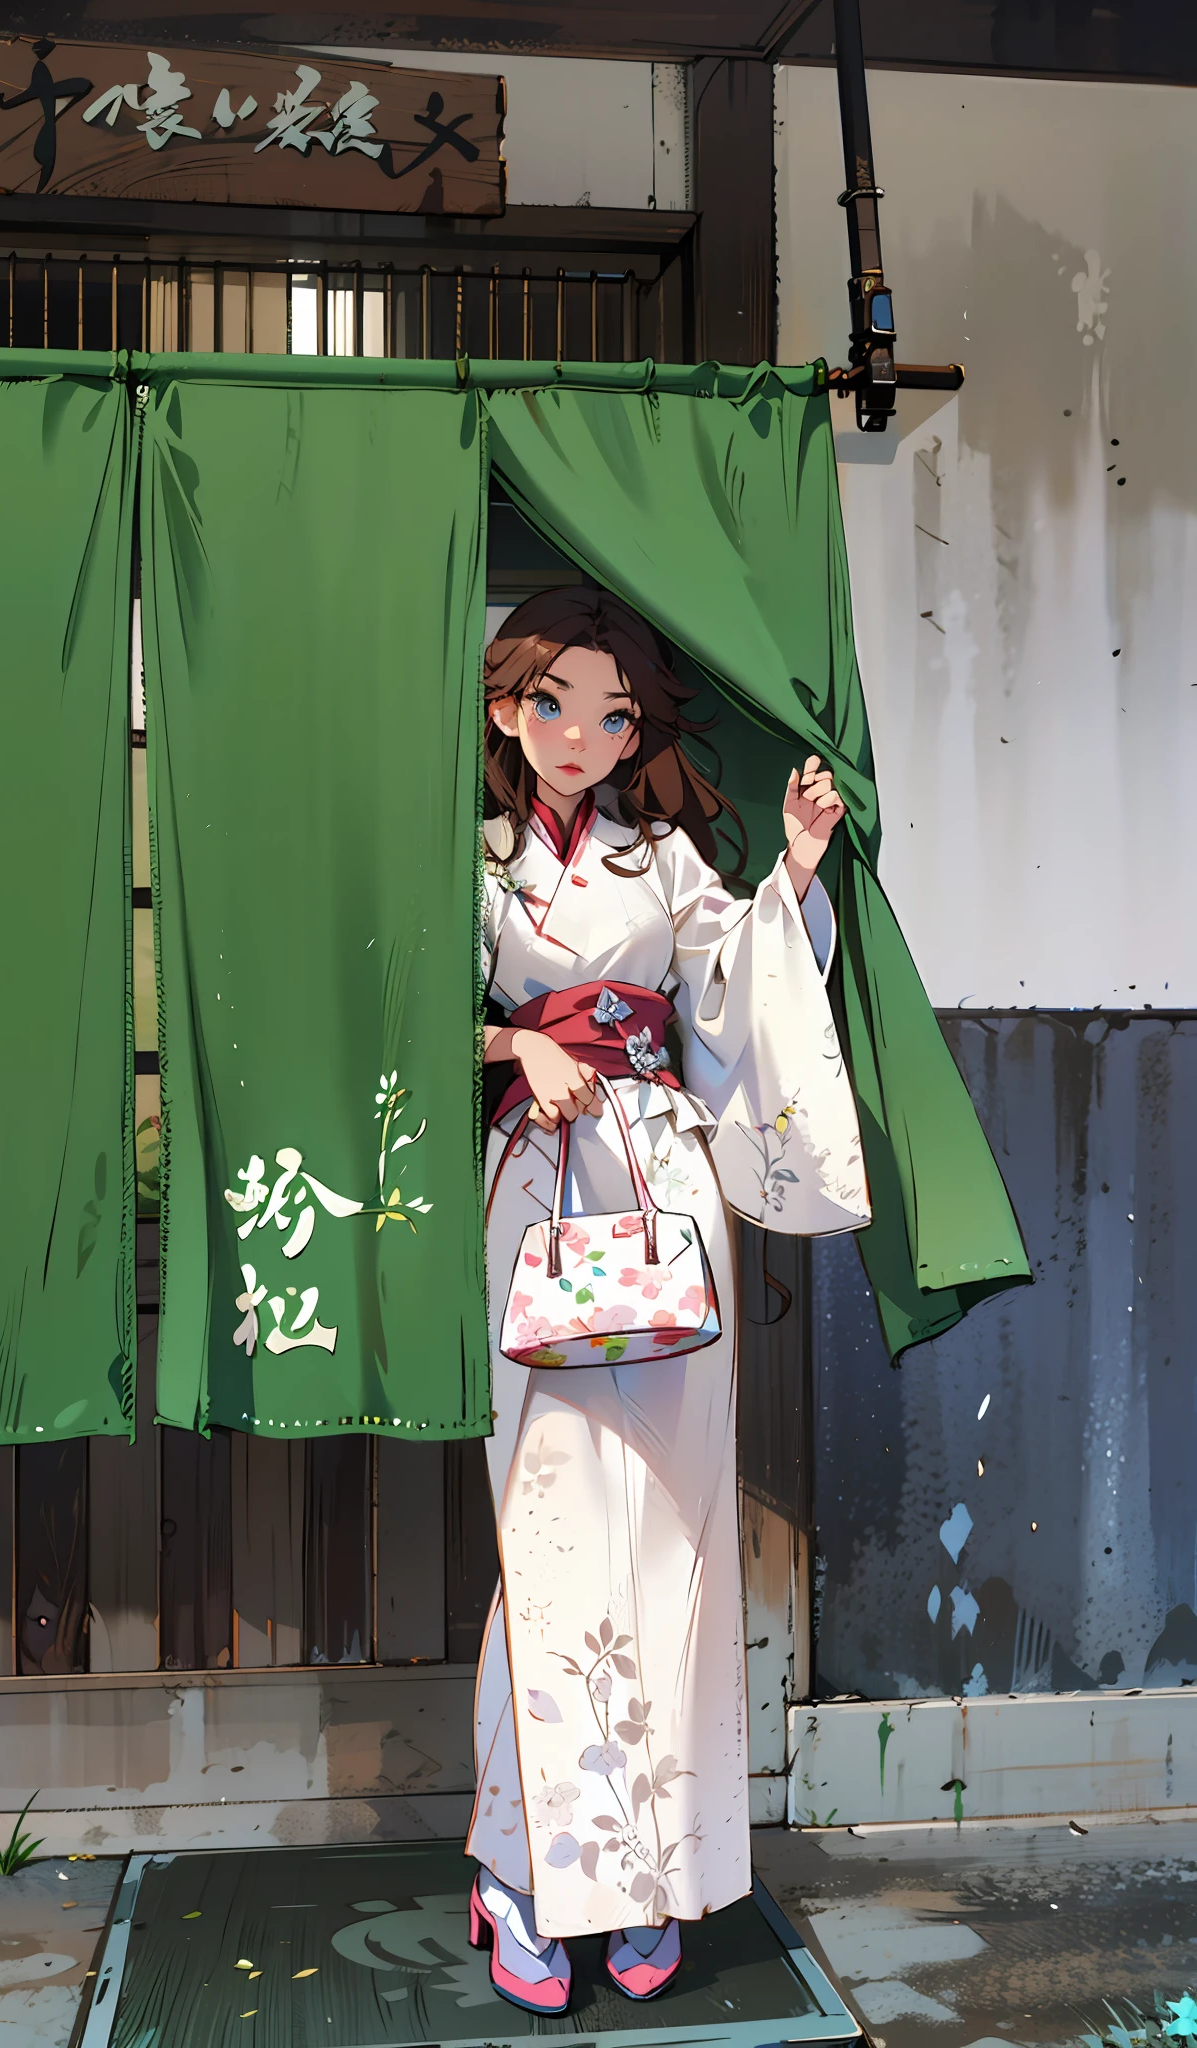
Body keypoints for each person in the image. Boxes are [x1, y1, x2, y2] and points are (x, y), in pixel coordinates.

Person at [467, 585, 870, 2012]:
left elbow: (737, 985)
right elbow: (400, 1006)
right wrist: (518, 1037)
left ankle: (657, 1875)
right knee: (550, 1528)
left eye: (613, 710)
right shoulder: (480, 862)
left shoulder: (666, 857)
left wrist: (801, 873)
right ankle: (522, 1870)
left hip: (663, 1189)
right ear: (509, 709)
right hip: (538, 1186)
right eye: (554, 702)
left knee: (679, 1531)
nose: (583, 731)